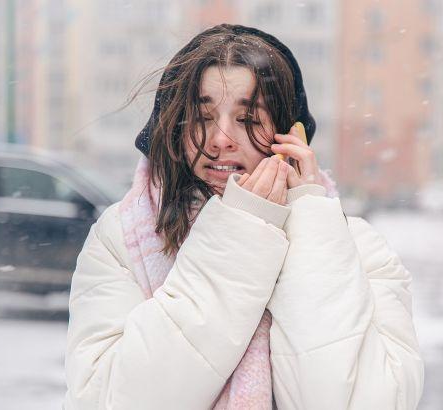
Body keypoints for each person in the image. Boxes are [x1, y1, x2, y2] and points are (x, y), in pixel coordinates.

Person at [64, 24, 423, 410]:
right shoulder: (121, 239)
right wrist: (239, 235)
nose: (221, 139)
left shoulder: (357, 248)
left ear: (290, 136)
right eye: (202, 117)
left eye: (249, 120)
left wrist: (309, 219)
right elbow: (109, 400)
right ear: (173, 132)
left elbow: (354, 401)